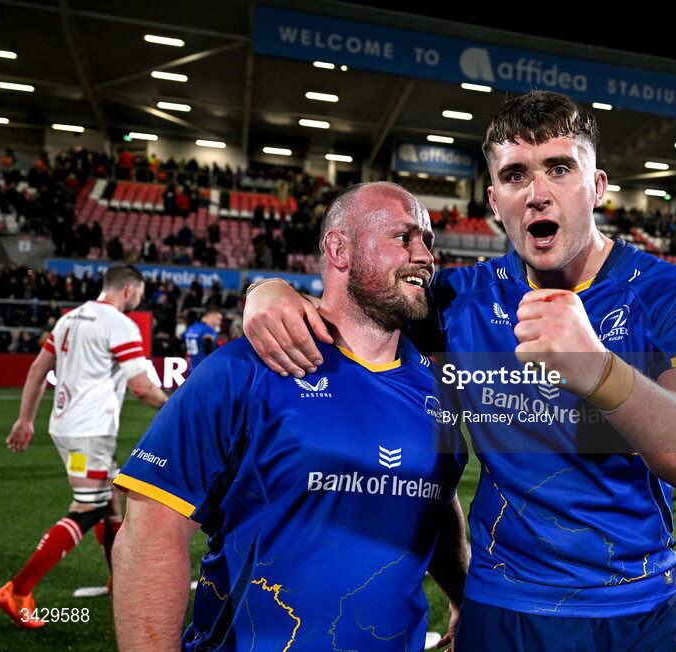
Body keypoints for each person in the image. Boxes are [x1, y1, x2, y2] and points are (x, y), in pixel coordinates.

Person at [243, 91, 676, 650]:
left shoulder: (675, 298)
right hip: (500, 608)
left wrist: (597, 369)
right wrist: (269, 290)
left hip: (632, 611)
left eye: (559, 168)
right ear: (494, 200)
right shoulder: (459, 299)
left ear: (597, 186)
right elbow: (355, 307)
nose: (537, 194)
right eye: (515, 176)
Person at [111, 182, 468, 651]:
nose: (424, 255)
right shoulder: (243, 369)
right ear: (338, 249)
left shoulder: (435, 386)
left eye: (428, 241)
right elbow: (149, 535)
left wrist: (464, 597)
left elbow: (434, 502)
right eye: (403, 237)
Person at [0, 265, 168, 628]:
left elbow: (37, 371)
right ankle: (19, 590)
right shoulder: (119, 323)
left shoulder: (69, 319)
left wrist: (25, 419)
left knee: (109, 499)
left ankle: (119, 578)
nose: (138, 298)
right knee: (89, 507)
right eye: (139, 292)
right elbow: (141, 387)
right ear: (130, 290)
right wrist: (179, 409)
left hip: (67, 426)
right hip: (90, 430)